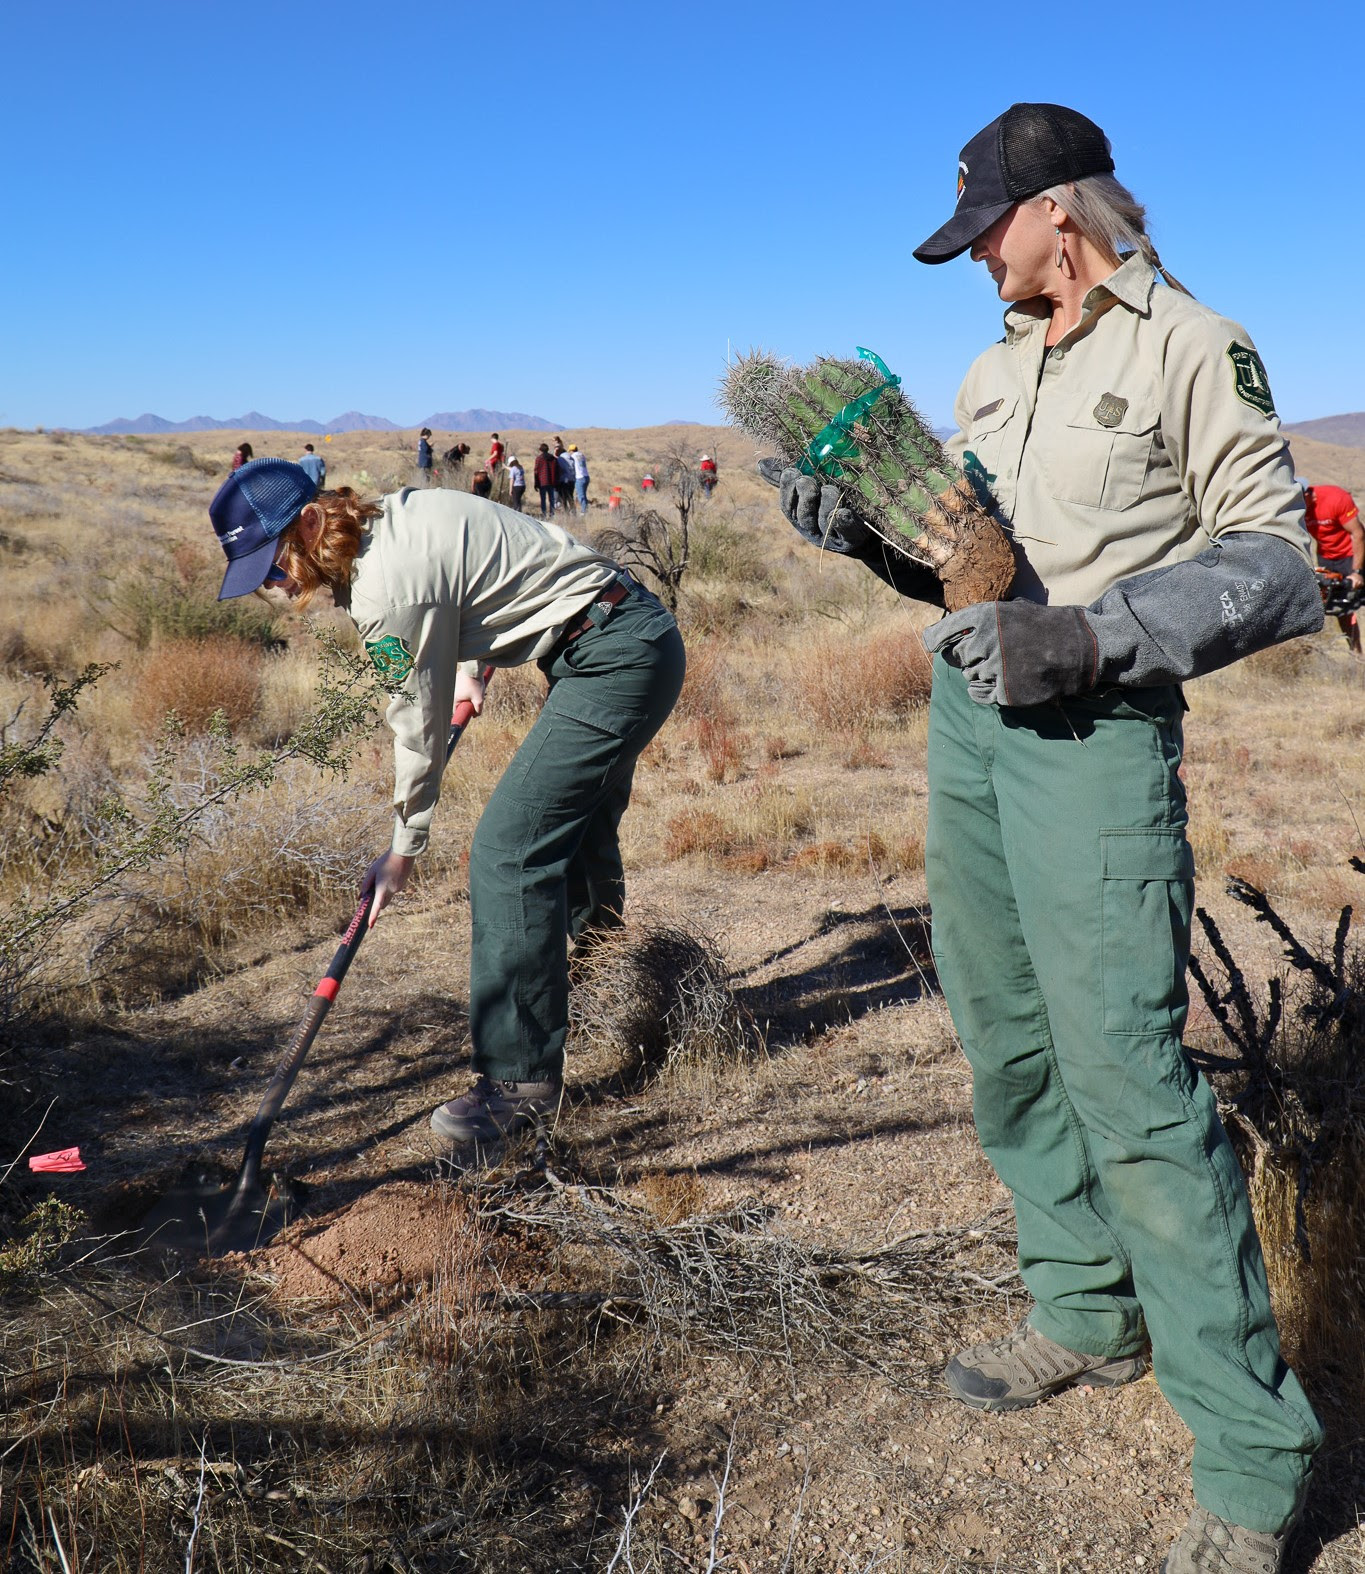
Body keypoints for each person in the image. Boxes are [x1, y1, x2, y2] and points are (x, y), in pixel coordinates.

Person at [767, 103, 1323, 1574]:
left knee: (1131, 1084)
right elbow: (978, 573)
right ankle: (1085, 1311)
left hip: (1094, 740)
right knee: (1007, 1039)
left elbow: (1278, 565)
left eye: (982, 236)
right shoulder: (988, 370)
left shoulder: (1193, 348)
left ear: (1057, 221)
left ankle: (1256, 1463)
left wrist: (1090, 641)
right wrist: (864, 533)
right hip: (972, 730)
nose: (972, 264)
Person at [207, 458, 685, 1143]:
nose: (277, 590)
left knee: (507, 854)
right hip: (621, 636)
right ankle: (605, 983)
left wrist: (402, 850)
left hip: (614, 660)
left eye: (274, 568)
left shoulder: (383, 594)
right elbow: (486, 567)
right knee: (570, 834)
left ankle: (517, 1086)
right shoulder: (403, 512)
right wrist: (472, 667)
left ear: (309, 524)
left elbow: (416, 728)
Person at [1300, 478, 1363, 654]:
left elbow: (1358, 533)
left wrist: (1357, 572)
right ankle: (1357, 655)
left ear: (1308, 494)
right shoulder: (1296, 508)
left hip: (1351, 554)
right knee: (1341, 608)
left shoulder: (1335, 498)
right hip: (1327, 558)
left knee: (1356, 594)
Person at [533, 442, 557, 517]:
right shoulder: (552, 458)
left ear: (541, 450)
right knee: (552, 499)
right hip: (551, 481)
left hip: (542, 482)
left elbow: (536, 471)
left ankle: (544, 514)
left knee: (543, 499)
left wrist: (536, 483)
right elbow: (556, 470)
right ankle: (552, 514)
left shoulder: (539, 459)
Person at [554, 439, 575, 516]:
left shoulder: (560, 459)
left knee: (564, 498)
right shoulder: (571, 457)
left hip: (564, 480)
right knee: (570, 497)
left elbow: (560, 470)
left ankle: (566, 513)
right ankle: (573, 511)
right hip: (572, 480)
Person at [569, 443, 590, 516]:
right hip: (586, 477)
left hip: (579, 477)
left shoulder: (573, 456)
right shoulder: (581, 455)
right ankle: (586, 509)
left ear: (571, 450)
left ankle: (584, 512)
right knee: (583, 494)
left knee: (581, 496)